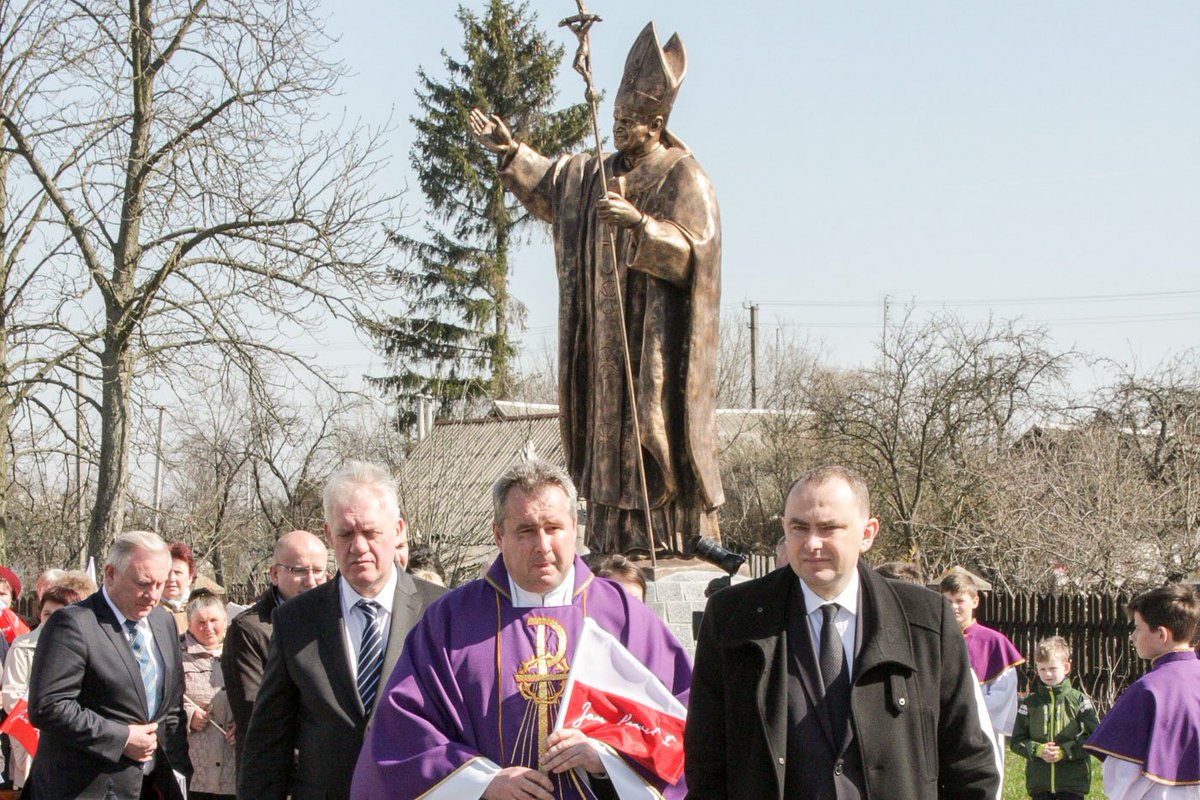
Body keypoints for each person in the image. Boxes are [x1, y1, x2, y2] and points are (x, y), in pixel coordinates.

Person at [469, 21, 723, 555]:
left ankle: (666, 540)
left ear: (657, 123)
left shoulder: (684, 177)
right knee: (606, 434)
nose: (619, 131)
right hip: (603, 344)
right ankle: (612, 539)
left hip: (653, 345)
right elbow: (551, 186)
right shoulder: (595, 175)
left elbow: (696, 257)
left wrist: (640, 227)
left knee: (650, 432)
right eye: (615, 120)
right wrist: (511, 150)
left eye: (630, 122)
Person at [349, 458, 692, 799]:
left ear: (574, 527)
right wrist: (482, 782)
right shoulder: (451, 622)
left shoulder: (623, 616)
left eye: (553, 528)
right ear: (498, 535)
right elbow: (402, 735)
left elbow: (680, 726)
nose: (542, 546)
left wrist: (608, 756)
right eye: (526, 531)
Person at [685, 465, 999, 798]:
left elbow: (969, 763)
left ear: (867, 533)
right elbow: (707, 765)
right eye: (799, 527)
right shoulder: (733, 619)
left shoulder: (925, 621)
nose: (811, 543)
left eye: (828, 528)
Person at [238, 461, 446, 800]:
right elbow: (268, 743)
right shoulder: (295, 620)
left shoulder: (440, 612)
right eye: (346, 534)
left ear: (397, 530)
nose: (359, 547)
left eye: (371, 532)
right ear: (328, 534)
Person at [24, 531, 192, 799]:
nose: (153, 595)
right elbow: (48, 706)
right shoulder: (74, 624)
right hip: (85, 788)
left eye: (160, 585)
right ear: (110, 574)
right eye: (143, 583)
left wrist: (180, 770)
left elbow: (171, 709)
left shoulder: (163, 622)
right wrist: (122, 737)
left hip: (152, 787)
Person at [221, 529, 328, 764]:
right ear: (274, 574)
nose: (311, 581)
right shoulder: (250, 629)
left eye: (318, 571)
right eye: (299, 571)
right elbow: (256, 715)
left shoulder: (335, 620)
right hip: (277, 770)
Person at [1084, 583, 1200, 799]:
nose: (1133, 636)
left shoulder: (1147, 689)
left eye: (1138, 627)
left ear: (1162, 634)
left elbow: (1122, 775)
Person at [2, 574, 97, 789]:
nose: (52, 619)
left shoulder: (87, 646)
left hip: (76, 739)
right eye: (47, 613)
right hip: (32, 737)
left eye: (60, 613)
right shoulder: (23, 646)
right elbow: (12, 695)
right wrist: (40, 725)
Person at [941, 570, 1024, 764]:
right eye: (948, 601)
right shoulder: (932, 639)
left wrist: (964, 714)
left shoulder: (994, 642)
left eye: (960, 600)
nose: (953, 607)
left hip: (981, 730)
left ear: (975, 601)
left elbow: (1002, 694)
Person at [1010, 636, 1100, 800]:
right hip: (1039, 784)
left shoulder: (1079, 700)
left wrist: (1065, 752)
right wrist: (1037, 750)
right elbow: (1016, 741)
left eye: (1052, 668)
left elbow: (1094, 737)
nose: (1048, 674)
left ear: (1066, 667)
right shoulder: (1030, 704)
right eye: (1042, 669)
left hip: (1072, 784)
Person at [181, 590, 236, 800]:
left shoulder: (242, 651)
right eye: (201, 622)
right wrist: (188, 716)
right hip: (196, 769)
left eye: (214, 620)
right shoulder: (178, 655)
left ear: (225, 620)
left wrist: (244, 720)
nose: (209, 628)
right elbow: (164, 701)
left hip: (233, 768)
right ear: (190, 624)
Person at [162, 541, 196, 634]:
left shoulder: (201, 608)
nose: (171, 578)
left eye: (178, 573)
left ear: (190, 577)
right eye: (166, 572)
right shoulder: (148, 611)